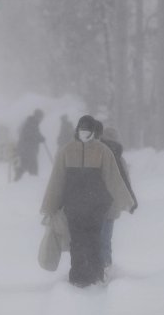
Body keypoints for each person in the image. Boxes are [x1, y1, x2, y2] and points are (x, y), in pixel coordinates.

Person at [41, 115, 135, 287]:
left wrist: (127, 201)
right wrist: (49, 206)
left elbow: (113, 179)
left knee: (93, 240)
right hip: (74, 205)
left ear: (93, 132)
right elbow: (57, 180)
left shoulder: (102, 151)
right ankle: (78, 276)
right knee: (76, 241)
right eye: (82, 129)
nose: (84, 133)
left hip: (96, 206)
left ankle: (95, 274)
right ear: (78, 130)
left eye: (87, 130)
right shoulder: (67, 151)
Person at [94, 121, 138, 270]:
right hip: (111, 205)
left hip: (94, 203)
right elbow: (125, 182)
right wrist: (131, 201)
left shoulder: (96, 155)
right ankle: (106, 267)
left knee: (94, 238)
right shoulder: (119, 158)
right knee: (106, 240)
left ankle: (95, 267)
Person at [14, 109, 46, 181]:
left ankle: (17, 179)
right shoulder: (31, 123)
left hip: (26, 149)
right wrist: (39, 138)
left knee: (25, 166)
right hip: (27, 150)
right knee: (33, 167)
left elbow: (35, 134)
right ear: (37, 116)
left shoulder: (32, 123)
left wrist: (40, 137)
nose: (41, 119)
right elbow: (30, 135)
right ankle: (33, 182)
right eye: (41, 117)